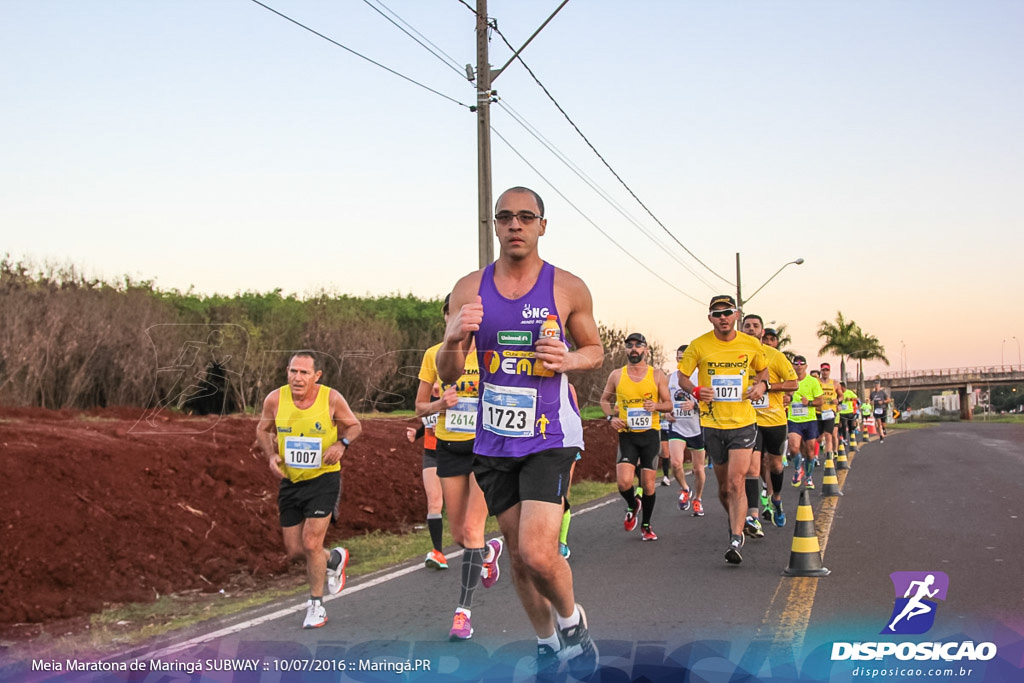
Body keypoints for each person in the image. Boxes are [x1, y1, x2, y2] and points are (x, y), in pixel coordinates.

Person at [439, 186, 602, 677]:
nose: (515, 225)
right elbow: (449, 373)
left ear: (542, 227)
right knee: (516, 556)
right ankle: (547, 640)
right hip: (494, 439)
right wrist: (451, 338)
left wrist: (569, 359)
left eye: (526, 217)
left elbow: (594, 349)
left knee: (537, 550)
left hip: (550, 434)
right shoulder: (469, 288)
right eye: (505, 217)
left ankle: (572, 624)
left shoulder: (568, 287)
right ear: (495, 225)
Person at [416, 295, 502, 640]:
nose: (464, 320)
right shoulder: (433, 355)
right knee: (459, 536)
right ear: (448, 318)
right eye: (457, 313)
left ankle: (462, 613)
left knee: (471, 529)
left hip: (484, 447)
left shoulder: (489, 353)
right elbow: (420, 407)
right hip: (449, 448)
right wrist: (440, 403)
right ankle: (489, 551)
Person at [256, 351, 361, 629]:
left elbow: (354, 426)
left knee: (312, 542)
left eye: (304, 372)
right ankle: (334, 558)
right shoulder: (275, 399)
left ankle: (316, 605)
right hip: (291, 482)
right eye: (293, 371)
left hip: (324, 479)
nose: (297, 378)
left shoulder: (331, 398)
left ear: (317, 376)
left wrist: (341, 445)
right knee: (295, 550)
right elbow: (263, 429)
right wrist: (270, 454)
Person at [677, 295, 769, 565]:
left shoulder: (751, 344)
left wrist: (762, 386)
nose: (723, 318)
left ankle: (736, 538)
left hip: (742, 422)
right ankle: (736, 523)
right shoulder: (699, 345)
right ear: (710, 318)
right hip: (712, 424)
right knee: (723, 487)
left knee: (736, 481)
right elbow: (683, 376)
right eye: (717, 314)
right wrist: (695, 389)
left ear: (736, 315)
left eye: (727, 312)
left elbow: (763, 372)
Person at [600, 332, 673, 541]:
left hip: (650, 434)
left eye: (638, 345)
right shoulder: (616, 375)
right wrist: (609, 417)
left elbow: (668, 404)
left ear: (646, 350)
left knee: (648, 484)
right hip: (627, 434)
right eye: (630, 345)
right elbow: (604, 400)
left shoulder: (657, 374)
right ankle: (633, 504)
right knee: (623, 483)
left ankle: (646, 525)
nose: (634, 349)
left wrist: (656, 406)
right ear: (625, 349)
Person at [741, 318, 798, 528]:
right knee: (753, 468)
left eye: (755, 326)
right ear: (742, 329)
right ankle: (753, 516)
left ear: (761, 331)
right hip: (748, 420)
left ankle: (777, 499)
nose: (751, 329)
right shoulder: (735, 356)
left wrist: (768, 386)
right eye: (747, 326)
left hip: (774, 420)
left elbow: (794, 384)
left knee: (774, 465)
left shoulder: (775, 356)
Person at [406, 381, 446, 571]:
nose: (436, 386)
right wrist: (417, 433)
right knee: (434, 501)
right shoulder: (427, 401)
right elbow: (429, 422)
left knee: (464, 520)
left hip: (454, 453)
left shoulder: (456, 394)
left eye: (439, 380)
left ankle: (484, 548)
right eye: (433, 381)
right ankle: (438, 552)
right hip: (431, 454)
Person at [666, 344, 704, 516]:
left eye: (684, 358)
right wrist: (666, 412)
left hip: (697, 428)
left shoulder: (700, 377)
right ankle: (685, 488)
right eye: (679, 358)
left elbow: (711, 402)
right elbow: (663, 400)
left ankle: (698, 499)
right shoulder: (670, 378)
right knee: (675, 463)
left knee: (698, 469)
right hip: (677, 427)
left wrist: (695, 404)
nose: (681, 361)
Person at [787, 355, 823, 490]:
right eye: (796, 364)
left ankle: (808, 476)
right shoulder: (789, 381)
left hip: (810, 420)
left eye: (801, 364)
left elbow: (821, 402)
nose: (799, 366)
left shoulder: (813, 382)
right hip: (794, 420)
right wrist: (786, 398)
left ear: (806, 366)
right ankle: (797, 470)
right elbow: (782, 397)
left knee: (809, 452)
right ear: (793, 366)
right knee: (793, 447)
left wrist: (809, 403)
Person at [817, 363, 842, 462]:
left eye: (827, 370)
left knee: (829, 435)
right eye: (823, 370)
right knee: (818, 438)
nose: (825, 372)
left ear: (829, 372)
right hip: (818, 411)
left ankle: (828, 459)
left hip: (830, 412)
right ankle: (819, 449)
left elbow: (841, 395)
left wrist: (838, 400)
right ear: (821, 371)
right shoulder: (816, 382)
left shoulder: (835, 383)